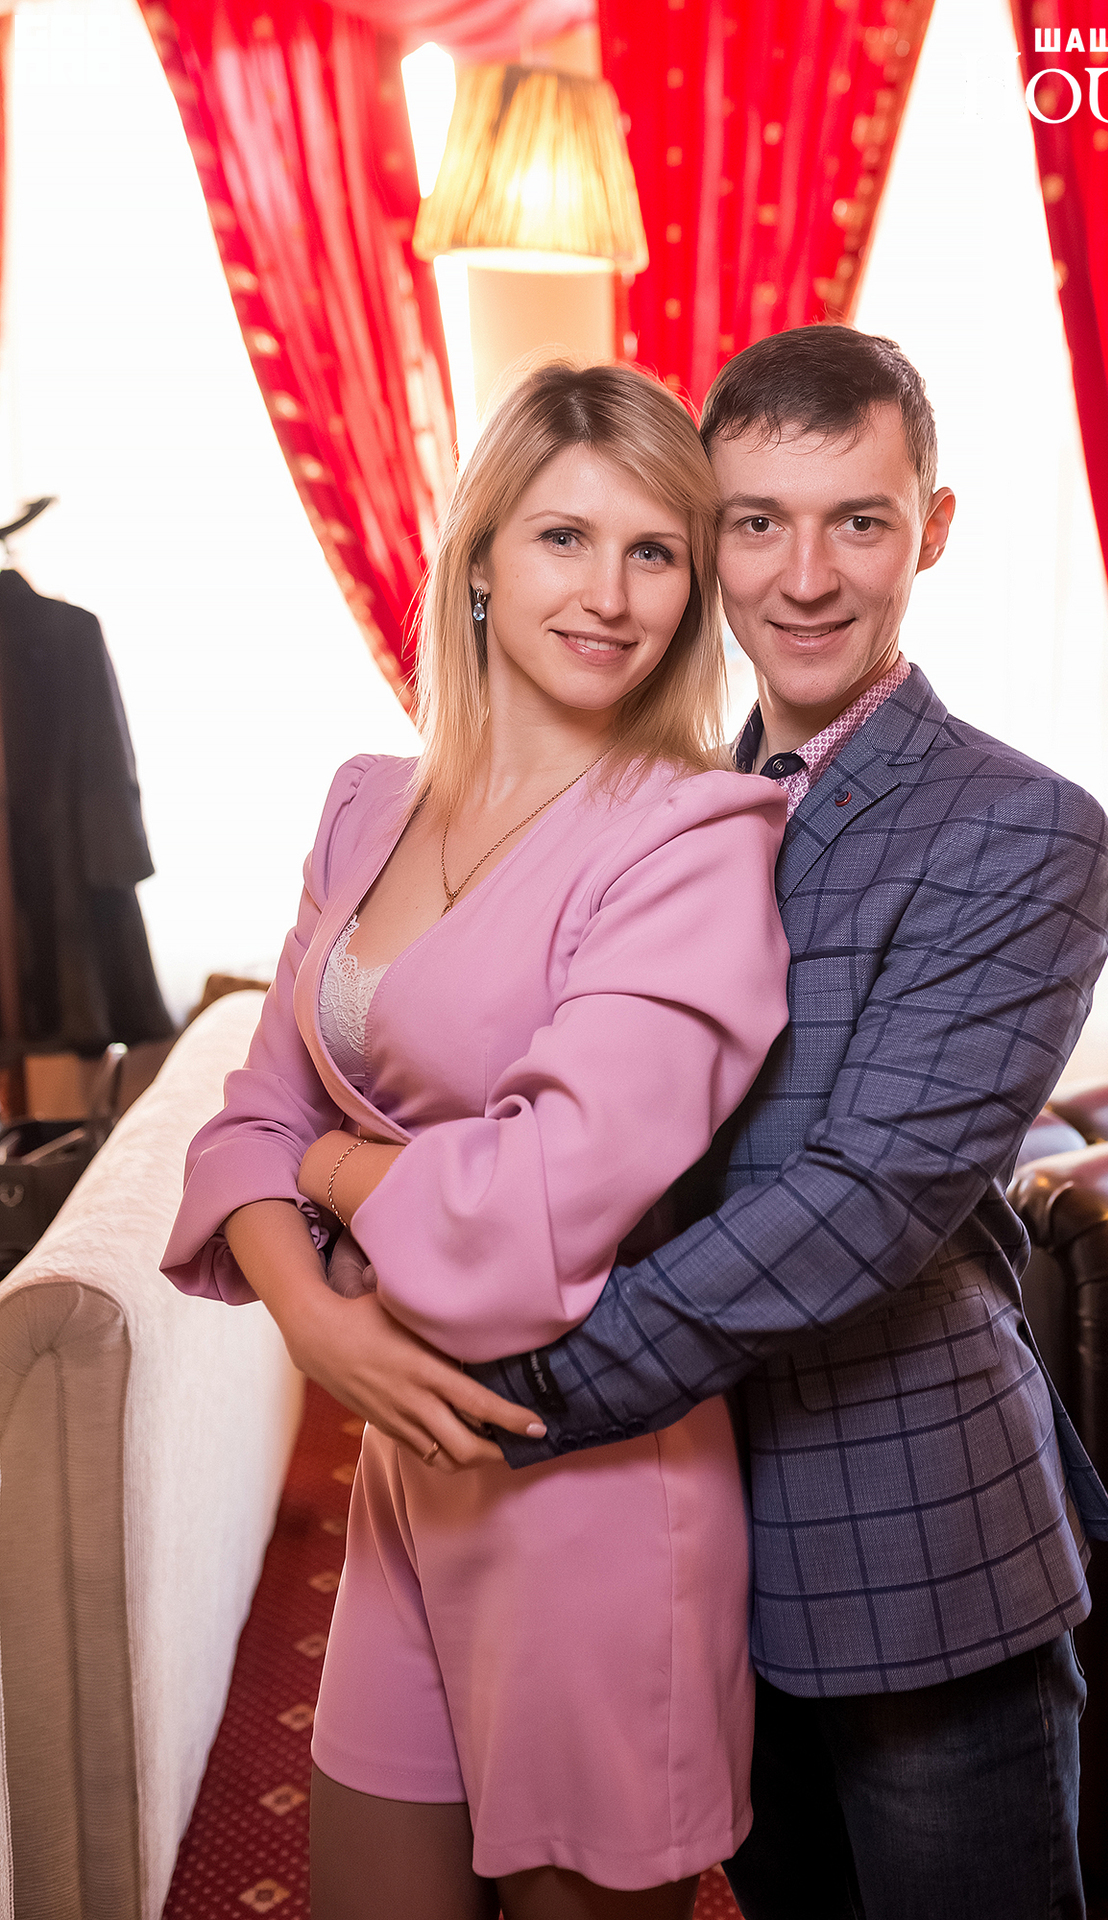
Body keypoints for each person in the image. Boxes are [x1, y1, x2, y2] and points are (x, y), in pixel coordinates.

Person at [416, 327, 1108, 1920]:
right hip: (683, 1525)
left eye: (856, 522)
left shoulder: (1021, 827)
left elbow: (860, 1201)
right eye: (756, 523)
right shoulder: (661, 807)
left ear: (928, 531)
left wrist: (523, 1396)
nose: (804, 578)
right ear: (707, 540)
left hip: (908, 1531)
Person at [161, 362, 795, 1920]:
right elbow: (248, 1112)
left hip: (582, 1481)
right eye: (566, 538)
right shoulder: (365, 803)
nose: (610, 595)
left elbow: (531, 1210)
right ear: (483, 559)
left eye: (655, 553)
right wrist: (316, 1322)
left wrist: (324, 1177)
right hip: (401, 1466)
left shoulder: (696, 835)